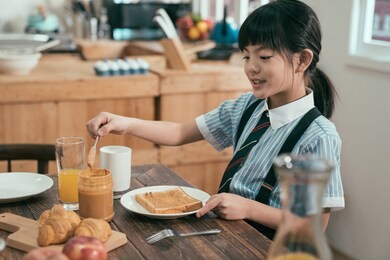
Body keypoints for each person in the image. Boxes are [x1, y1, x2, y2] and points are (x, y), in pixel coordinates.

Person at [86, 0, 344, 239]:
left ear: (302, 60)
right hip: (225, 234)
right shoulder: (247, 106)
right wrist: (124, 123)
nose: (251, 67)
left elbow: (313, 226)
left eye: (264, 57)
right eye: (246, 55)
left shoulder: (319, 136)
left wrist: (249, 209)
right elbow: (179, 132)